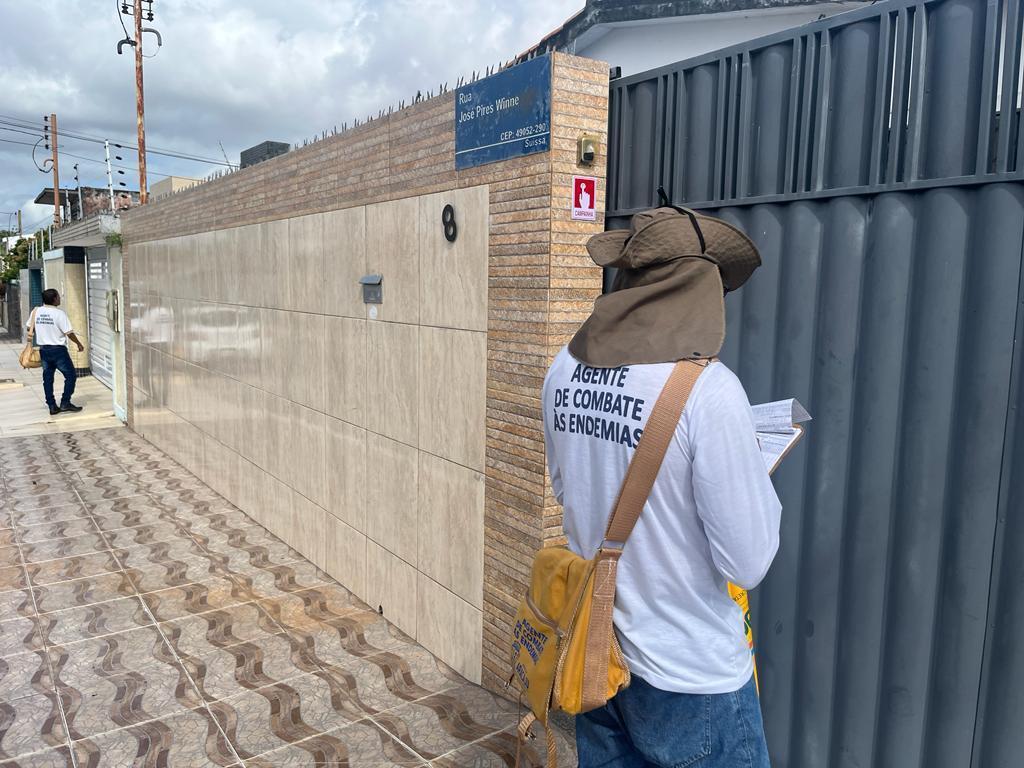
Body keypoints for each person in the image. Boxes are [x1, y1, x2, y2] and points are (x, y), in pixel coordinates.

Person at [542, 207, 781, 767]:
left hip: (597, 655)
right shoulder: (711, 392)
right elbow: (747, 562)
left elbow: (568, 490)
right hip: (691, 677)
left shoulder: (564, 368)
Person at [28, 289, 85, 416]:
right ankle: (65, 402)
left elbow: (29, 327)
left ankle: (52, 406)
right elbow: (69, 332)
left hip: (44, 350)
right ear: (54, 299)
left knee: (47, 378)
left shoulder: (36, 311)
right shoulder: (59, 314)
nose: (60, 298)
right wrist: (78, 343)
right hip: (58, 351)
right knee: (70, 376)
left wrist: (44, 331)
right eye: (58, 296)